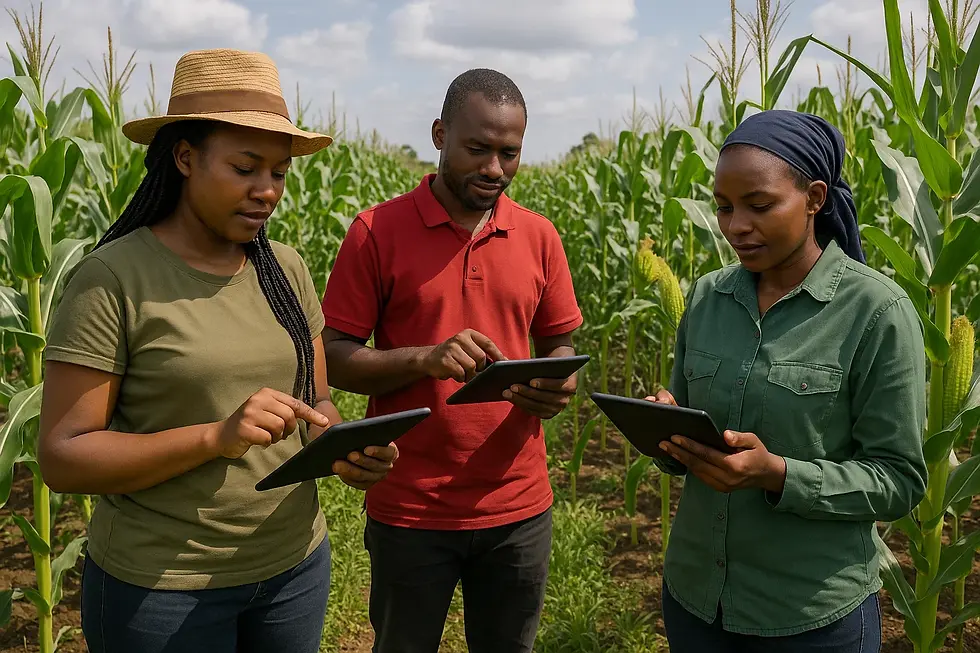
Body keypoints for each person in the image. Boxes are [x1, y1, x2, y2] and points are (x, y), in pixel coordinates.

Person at [37, 48, 399, 653]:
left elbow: (318, 402)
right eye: (245, 167)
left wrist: (343, 449)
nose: (267, 191)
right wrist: (216, 436)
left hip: (293, 569)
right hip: (162, 589)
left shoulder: (286, 269)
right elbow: (63, 457)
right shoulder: (112, 280)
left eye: (279, 172)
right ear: (184, 157)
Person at [320, 68, 584, 653]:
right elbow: (333, 360)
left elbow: (560, 344)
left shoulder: (541, 237)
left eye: (509, 153)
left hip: (517, 504)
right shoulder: (375, 232)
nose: (494, 168)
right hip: (411, 504)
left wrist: (555, 383)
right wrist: (425, 358)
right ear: (439, 134)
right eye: (477, 149)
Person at [645, 109, 928, 652]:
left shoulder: (875, 312)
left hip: (810, 617)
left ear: (815, 198)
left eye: (759, 206)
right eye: (724, 208)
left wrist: (777, 474)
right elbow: (684, 426)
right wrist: (665, 427)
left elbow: (899, 480)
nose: (735, 227)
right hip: (696, 601)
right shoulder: (708, 297)